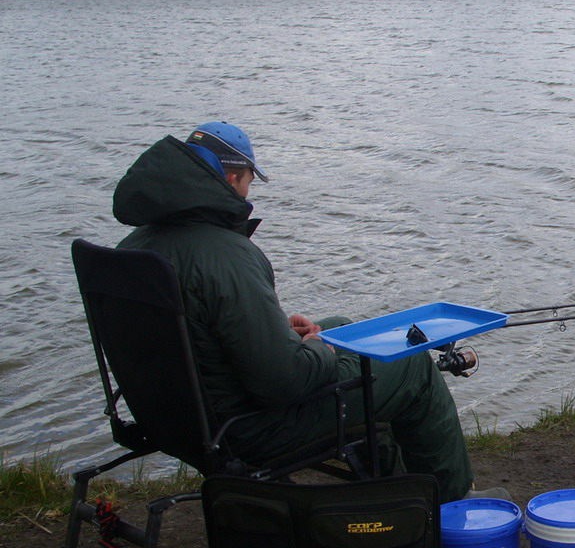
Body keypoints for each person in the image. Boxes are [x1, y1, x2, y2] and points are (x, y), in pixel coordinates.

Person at [112, 122, 476, 501]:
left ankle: (396, 493)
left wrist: (279, 333)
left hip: (176, 423)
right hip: (248, 430)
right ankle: (451, 506)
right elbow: (283, 382)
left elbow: (195, 334)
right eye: (250, 180)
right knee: (412, 364)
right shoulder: (225, 254)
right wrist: (319, 349)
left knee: (342, 327)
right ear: (234, 177)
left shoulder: (134, 248)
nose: (248, 190)